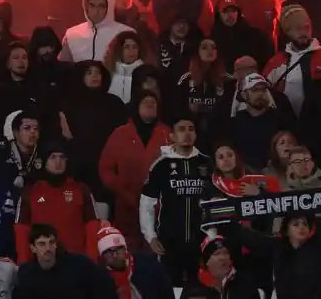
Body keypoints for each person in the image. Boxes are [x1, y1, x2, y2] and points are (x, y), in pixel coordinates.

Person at [139, 115, 212, 285]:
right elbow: (147, 202)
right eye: (181, 129)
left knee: (201, 288)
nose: (187, 134)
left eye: (191, 129)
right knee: (169, 288)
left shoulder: (207, 163)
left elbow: (215, 200)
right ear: (171, 136)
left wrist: (212, 235)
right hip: (169, 242)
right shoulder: (161, 165)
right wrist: (150, 236)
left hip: (201, 241)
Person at [99, 91, 171, 248]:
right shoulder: (120, 134)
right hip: (127, 207)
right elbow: (106, 169)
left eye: (154, 103)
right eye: (146, 102)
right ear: (136, 106)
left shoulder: (167, 133)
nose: (151, 105)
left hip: (160, 209)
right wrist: (123, 191)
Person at [13, 141, 100, 262]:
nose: (58, 162)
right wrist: (24, 264)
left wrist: (92, 262)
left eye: (62, 157)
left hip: (75, 262)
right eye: (53, 157)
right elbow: (21, 230)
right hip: (41, 264)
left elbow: (92, 226)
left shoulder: (81, 190)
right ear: (44, 161)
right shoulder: (30, 192)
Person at [12, 224, 116, 299]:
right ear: (33, 248)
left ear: (56, 244)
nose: (48, 248)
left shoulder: (80, 265)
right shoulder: (26, 274)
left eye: (51, 242)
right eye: (42, 244)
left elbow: (105, 289)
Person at [96, 224, 172, 299]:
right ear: (102, 256)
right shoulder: (100, 279)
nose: (115, 255)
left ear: (125, 249)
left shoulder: (150, 267)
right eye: (109, 252)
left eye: (118, 249)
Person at [60, 0, 131, 62]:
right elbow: (63, 67)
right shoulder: (72, 35)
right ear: (86, 6)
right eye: (92, 5)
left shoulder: (125, 34)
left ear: (110, 6)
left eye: (101, 6)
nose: (96, 11)